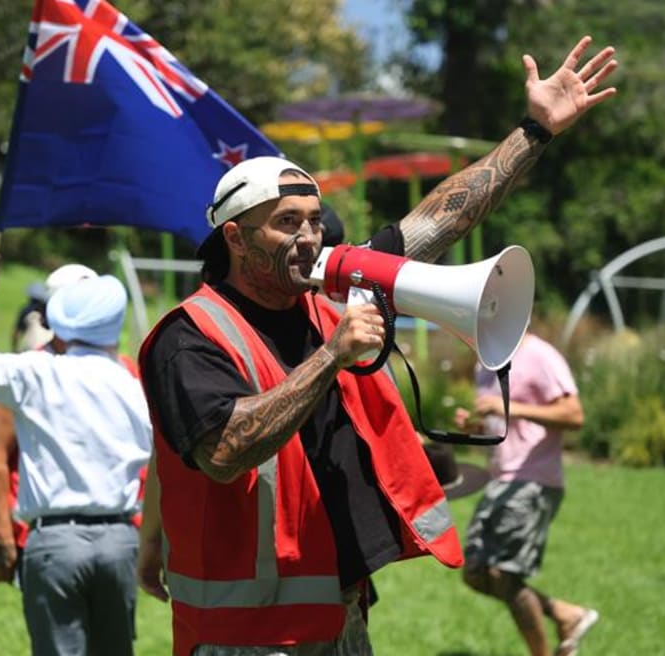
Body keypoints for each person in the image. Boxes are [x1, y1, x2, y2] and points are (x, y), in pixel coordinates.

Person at [137, 35, 617, 655]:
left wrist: (535, 130)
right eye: (288, 223)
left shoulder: (333, 291)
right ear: (235, 236)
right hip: (248, 634)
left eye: (314, 219)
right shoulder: (188, 336)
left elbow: (443, 217)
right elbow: (226, 449)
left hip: (338, 612)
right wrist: (331, 356)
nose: (309, 238)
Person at [0, 253, 151, 656]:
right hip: (122, 539)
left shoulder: (37, 372)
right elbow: (157, 458)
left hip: (55, 541)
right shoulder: (131, 380)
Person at [454, 332, 596, 656]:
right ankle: (566, 613)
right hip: (500, 479)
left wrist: (510, 408)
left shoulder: (540, 355)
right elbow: (504, 425)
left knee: (504, 575)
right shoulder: (486, 361)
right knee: (476, 572)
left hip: (533, 478)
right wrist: (474, 427)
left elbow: (574, 415)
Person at [0, 262, 97, 586]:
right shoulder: (22, 373)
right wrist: (3, 535)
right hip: (40, 532)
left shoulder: (117, 371)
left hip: (111, 535)